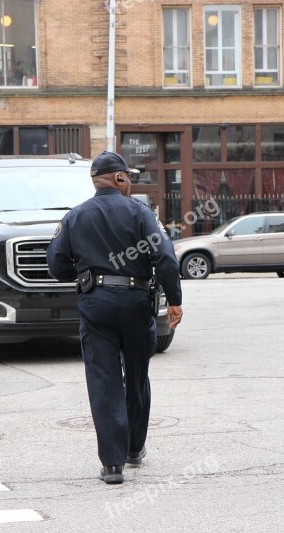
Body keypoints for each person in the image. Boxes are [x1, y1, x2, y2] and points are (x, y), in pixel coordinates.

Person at [47, 151, 183, 484]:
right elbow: (165, 256)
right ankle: (135, 448)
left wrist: (85, 271)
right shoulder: (140, 212)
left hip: (96, 303)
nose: (131, 182)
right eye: (129, 177)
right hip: (137, 302)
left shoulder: (75, 216)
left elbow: (56, 264)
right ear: (119, 178)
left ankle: (112, 464)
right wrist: (175, 301)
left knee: (104, 379)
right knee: (137, 375)